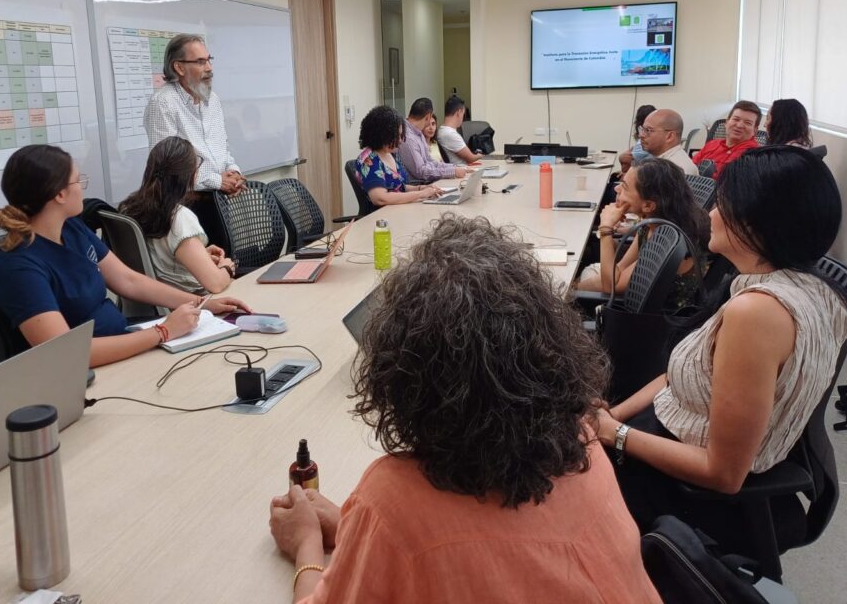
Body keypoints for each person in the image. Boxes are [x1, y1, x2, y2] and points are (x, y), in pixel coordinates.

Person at [268, 215, 661, 604]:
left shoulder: (394, 502)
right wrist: (360, 532)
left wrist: (306, 544)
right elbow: (499, 550)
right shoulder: (585, 442)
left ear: (402, 378)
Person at [592, 147, 847, 547]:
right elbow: (679, 375)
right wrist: (611, 418)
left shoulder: (756, 314)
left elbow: (722, 473)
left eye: (722, 206)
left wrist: (617, 435)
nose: (710, 215)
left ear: (756, 223)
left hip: (686, 493)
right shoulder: (811, 287)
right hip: (660, 437)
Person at [0, 145, 250, 367]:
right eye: (79, 181)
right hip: (85, 373)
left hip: (124, 344)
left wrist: (200, 304)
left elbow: (128, 280)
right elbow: (68, 354)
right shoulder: (17, 268)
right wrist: (164, 331)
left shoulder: (72, 228)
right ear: (60, 194)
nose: (83, 188)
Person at [144, 34, 245, 248]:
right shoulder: (163, 104)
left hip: (218, 202)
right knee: (203, 276)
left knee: (226, 265)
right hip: (184, 206)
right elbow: (167, 169)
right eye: (200, 62)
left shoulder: (213, 100)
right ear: (179, 68)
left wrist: (233, 171)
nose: (209, 68)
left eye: (209, 60)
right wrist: (218, 181)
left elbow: (221, 147)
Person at [579, 159, 710, 308]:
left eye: (625, 187)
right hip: (636, 304)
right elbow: (620, 270)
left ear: (648, 205)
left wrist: (606, 229)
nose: (617, 189)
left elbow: (611, 287)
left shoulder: (667, 240)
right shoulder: (652, 224)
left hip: (652, 323)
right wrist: (576, 288)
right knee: (580, 280)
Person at [118, 136, 238, 294]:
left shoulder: (128, 207)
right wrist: (226, 268)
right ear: (189, 175)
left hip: (156, 299)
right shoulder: (180, 217)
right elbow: (215, 284)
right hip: (194, 302)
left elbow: (160, 257)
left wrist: (199, 255)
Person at [353, 106, 442, 207]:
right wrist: (420, 194)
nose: (400, 140)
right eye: (397, 136)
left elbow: (399, 187)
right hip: (381, 218)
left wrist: (422, 188)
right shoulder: (368, 160)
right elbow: (380, 199)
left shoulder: (391, 154)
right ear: (383, 135)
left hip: (400, 209)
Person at [398, 97, 467, 182]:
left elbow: (430, 161)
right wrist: (452, 172)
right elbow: (421, 172)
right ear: (428, 117)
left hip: (427, 183)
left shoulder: (418, 133)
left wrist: (454, 168)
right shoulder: (408, 137)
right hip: (418, 186)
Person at [692, 101, 762, 179]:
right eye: (736, 119)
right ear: (726, 122)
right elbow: (691, 168)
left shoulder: (753, 155)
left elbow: (726, 181)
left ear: (755, 130)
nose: (739, 125)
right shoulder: (712, 144)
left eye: (748, 123)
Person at [638, 108, 699, 175]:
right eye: (642, 129)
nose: (641, 135)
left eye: (648, 130)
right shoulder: (662, 162)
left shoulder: (677, 169)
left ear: (670, 136)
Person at [436, 94, 483, 165]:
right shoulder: (450, 134)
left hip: (465, 169)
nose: (463, 118)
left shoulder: (442, 130)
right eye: (463, 114)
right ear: (459, 112)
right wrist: (482, 154)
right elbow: (471, 158)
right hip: (463, 172)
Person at [617, 104, 656, 174]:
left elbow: (626, 167)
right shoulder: (655, 140)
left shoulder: (643, 143)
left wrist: (621, 158)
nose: (642, 135)